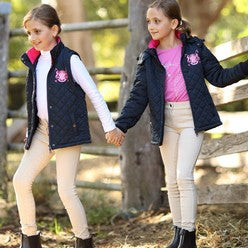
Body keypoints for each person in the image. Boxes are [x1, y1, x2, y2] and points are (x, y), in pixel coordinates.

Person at [107, 0, 248, 247]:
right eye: (149, 21)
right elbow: (137, 97)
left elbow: (220, 77)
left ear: (174, 23)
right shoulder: (148, 58)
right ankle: (178, 235)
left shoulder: (195, 49)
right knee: (171, 180)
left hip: (191, 119)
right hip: (166, 122)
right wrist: (121, 126)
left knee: (184, 176)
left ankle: (190, 236)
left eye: (157, 21)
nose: (151, 25)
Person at [13, 4, 124, 248]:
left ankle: (83, 240)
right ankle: (29, 238)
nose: (32, 38)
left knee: (66, 190)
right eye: (29, 33)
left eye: (37, 31)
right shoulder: (34, 62)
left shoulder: (69, 59)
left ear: (54, 30)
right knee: (20, 181)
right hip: (41, 132)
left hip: (68, 133)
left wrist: (109, 126)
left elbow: (93, 93)